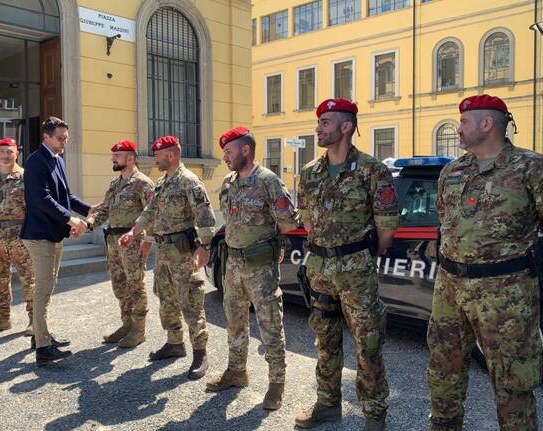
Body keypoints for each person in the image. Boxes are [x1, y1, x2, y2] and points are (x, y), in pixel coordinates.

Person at [427, 94, 543, 431]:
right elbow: (445, 220)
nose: (459, 128)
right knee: (443, 369)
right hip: (450, 288)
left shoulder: (535, 169)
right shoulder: (453, 171)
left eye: (464, 121)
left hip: (506, 294)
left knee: (514, 380)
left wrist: (531, 263)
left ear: (487, 124)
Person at [295, 99, 398, 431]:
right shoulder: (309, 173)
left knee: (368, 343)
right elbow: (308, 221)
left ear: (346, 127)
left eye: (326, 122)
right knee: (324, 340)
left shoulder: (372, 170)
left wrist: (364, 258)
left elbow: (386, 226)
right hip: (320, 269)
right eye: (319, 122)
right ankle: (327, 404)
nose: (319, 128)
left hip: (357, 271)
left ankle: (374, 413)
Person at [206, 127, 299, 411]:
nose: (225, 157)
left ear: (246, 150)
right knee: (234, 321)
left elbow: (289, 221)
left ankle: (276, 383)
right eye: (224, 152)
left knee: (269, 325)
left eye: (229, 152)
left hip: (260, 267)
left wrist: (271, 242)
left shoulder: (268, 181)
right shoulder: (228, 182)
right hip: (232, 264)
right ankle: (237, 372)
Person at [119, 136, 215, 380]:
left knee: (190, 301)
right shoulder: (162, 183)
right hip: (163, 253)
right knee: (166, 298)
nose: (155, 159)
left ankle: (200, 352)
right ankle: (174, 342)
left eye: (158, 154)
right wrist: (133, 232)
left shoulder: (189, 181)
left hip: (183, 254)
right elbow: (149, 212)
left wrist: (204, 246)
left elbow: (204, 214)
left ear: (171, 155)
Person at [21, 116, 90, 366]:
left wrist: (89, 209)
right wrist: (71, 220)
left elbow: (66, 195)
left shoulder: (57, 160)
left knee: (48, 286)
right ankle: (42, 348)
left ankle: (42, 335)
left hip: (52, 233)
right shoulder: (36, 161)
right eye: (60, 138)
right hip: (39, 235)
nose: (64, 143)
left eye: (66, 139)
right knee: (43, 288)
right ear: (46, 137)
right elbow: (42, 198)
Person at [86, 140, 154, 348]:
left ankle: (138, 330)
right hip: (114, 241)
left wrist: (147, 242)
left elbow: (151, 214)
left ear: (131, 158)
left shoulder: (143, 183)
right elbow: (105, 209)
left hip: (132, 241)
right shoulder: (115, 184)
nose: (113, 159)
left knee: (135, 285)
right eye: (113, 155)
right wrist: (89, 224)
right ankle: (127, 324)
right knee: (119, 285)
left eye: (117, 155)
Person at [0, 138, 34, 335]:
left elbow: (35, 209)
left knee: (30, 278)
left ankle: (35, 319)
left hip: (21, 236)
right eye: (1, 151)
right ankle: (2, 318)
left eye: (9, 151)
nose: (5, 155)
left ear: (16, 153)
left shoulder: (26, 177)